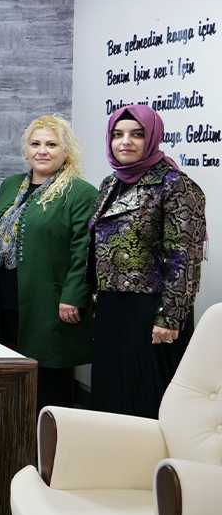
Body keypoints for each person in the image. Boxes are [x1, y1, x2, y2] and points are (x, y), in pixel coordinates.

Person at [89, 105, 206, 418]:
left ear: (152, 138)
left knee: (147, 398)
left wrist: (170, 317)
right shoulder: (110, 184)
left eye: (137, 134)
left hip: (151, 310)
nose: (125, 141)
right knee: (111, 394)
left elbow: (186, 258)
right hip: (113, 306)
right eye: (118, 134)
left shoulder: (175, 184)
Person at [0, 115, 97, 410]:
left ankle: (50, 437)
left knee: (49, 381)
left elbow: (85, 250)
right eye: (35, 144)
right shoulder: (11, 185)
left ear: (66, 150)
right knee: (13, 377)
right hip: (7, 296)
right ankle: (17, 434)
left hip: (49, 300)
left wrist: (74, 296)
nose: (42, 151)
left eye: (51, 144)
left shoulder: (79, 192)